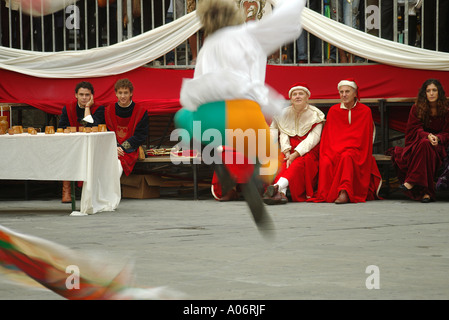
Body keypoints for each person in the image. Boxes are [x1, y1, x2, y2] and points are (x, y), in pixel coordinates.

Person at [175, 0, 306, 235]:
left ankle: (218, 157)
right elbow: (285, 20)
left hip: (208, 116)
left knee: (183, 119)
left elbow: (193, 91)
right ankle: (254, 177)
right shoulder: (246, 33)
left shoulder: (206, 47)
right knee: (270, 162)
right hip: (244, 112)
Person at [309, 78, 382, 204]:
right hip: (335, 149)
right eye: (341, 92)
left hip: (356, 150)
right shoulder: (333, 111)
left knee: (347, 156)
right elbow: (329, 136)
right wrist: (333, 150)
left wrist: (347, 147)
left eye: (347, 91)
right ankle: (328, 194)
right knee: (326, 161)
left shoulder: (365, 111)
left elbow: (365, 137)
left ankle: (345, 191)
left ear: (355, 93)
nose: (344, 95)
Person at [387, 79, 449, 203]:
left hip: (440, 145)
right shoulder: (417, 108)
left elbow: (447, 132)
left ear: (439, 93)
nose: (431, 93)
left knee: (427, 147)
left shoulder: (446, 110)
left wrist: (438, 138)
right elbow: (413, 129)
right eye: (428, 91)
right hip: (418, 143)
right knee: (425, 145)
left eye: (434, 90)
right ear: (424, 93)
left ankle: (412, 181)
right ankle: (427, 193)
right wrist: (427, 136)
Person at [263, 82, 325, 204]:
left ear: (307, 97)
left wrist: (296, 154)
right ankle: (281, 194)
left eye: (301, 94)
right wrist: (286, 152)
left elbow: (313, 139)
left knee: (298, 162)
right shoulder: (283, 113)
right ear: (291, 98)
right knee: (281, 161)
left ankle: (277, 188)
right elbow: (282, 133)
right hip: (289, 150)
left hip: (308, 151)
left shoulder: (316, 114)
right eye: (294, 94)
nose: (297, 96)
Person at [58, 81, 106, 203]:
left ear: (92, 96)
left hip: (92, 144)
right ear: (76, 95)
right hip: (72, 144)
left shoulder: (99, 109)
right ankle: (66, 190)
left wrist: (87, 108)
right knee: (65, 155)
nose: (84, 98)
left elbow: (94, 126)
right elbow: (61, 127)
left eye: (87, 95)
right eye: (81, 94)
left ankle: (90, 191)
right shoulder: (68, 108)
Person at [105, 78, 149, 177]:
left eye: (126, 93)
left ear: (131, 93)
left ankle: (113, 192)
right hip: (112, 148)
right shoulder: (108, 110)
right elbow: (107, 131)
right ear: (116, 93)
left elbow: (140, 136)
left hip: (130, 150)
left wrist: (122, 147)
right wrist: (114, 147)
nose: (123, 96)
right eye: (120, 93)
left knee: (116, 167)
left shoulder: (141, 111)